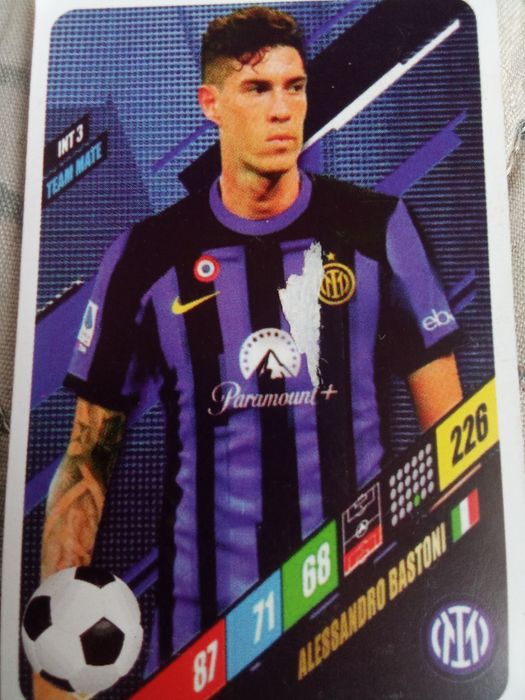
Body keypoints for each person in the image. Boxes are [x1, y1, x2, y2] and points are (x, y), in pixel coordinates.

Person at [37, 5, 463, 696]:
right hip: (203, 647)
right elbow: (86, 463)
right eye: (256, 89)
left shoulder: (377, 229)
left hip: (360, 622)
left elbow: (452, 443)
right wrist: (54, 662)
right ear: (210, 104)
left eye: (294, 87)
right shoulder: (147, 256)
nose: (281, 110)